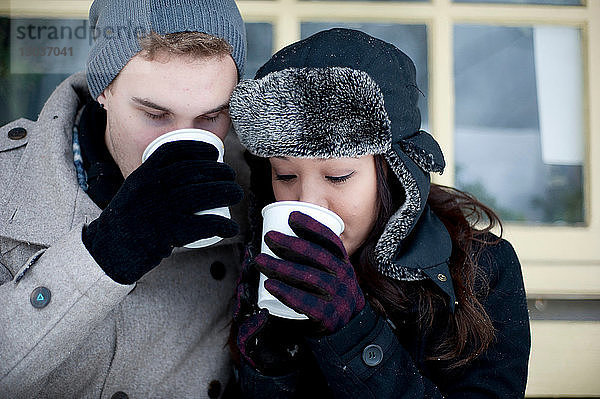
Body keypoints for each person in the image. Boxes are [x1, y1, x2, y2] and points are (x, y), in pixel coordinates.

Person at [227, 28, 531, 398]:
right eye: (285, 175)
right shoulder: (249, 259)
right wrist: (269, 356)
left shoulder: (484, 270)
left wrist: (353, 332)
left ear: (393, 171)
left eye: (337, 176)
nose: (307, 202)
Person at [0, 0, 248, 397]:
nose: (178, 141)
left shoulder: (257, 180)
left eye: (210, 117)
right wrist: (104, 253)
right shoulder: (8, 180)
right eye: (154, 114)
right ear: (104, 89)